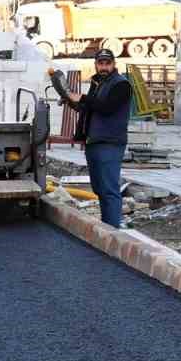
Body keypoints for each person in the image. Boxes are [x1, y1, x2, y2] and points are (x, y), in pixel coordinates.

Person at [51, 49, 132, 228]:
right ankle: (107, 227)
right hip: (93, 142)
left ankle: (112, 231)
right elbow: (90, 108)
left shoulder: (121, 85)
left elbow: (106, 108)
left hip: (110, 143)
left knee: (109, 190)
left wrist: (81, 97)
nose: (104, 67)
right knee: (100, 189)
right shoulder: (98, 82)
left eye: (107, 63)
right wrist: (71, 101)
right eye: (100, 63)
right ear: (96, 64)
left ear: (114, 64)